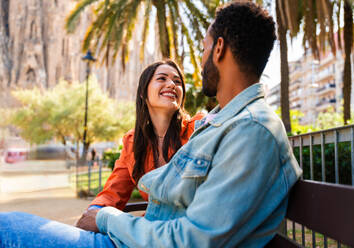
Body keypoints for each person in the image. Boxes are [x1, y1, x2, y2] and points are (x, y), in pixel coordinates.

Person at [0, 2, 302, 247]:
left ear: (220, 49)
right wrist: (99, 211)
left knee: (7, 230)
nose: (201, 57)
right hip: (136, 236)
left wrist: (107, 220)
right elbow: (133, 195)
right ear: (143, 94)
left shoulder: (247, 130)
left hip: (135, 238)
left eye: (205, 47)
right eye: (161, 78)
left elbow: (191, 239)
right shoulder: (222, 126)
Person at [76, 60, 204, 232]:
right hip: (149, 232)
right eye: (162, 78)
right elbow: (113, 192)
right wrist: (93, 213)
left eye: (177, 81)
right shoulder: (133, 143)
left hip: (189, 233)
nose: (172, 84)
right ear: (143, 93)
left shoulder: (199, 130)